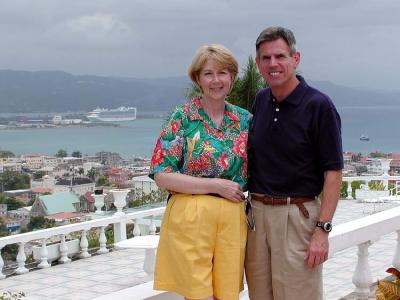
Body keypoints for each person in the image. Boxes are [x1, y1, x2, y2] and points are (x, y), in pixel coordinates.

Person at [245, 26, 343, 300]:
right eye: (266, 58)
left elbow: (333, 173)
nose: (273, 64)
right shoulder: (262, 101)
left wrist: (322, 231)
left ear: (295, 58)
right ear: (258, 63)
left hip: (297, 217)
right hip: (257, 217)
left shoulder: (319, 105)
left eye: (280, 56)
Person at [149, 44, 252, 300]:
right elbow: (161, 174)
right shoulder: (182, 118)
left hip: (231, 218)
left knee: (227, 295)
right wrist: (216, 186)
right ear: (197, 78)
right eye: (208, 73)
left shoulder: (246, 120)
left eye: (222, 73)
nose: (216, 80)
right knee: (198, 296)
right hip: (190, 215)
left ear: (232, 77)